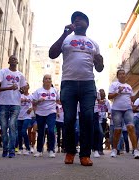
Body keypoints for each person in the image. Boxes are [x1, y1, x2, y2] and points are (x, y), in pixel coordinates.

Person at [49, 11, 104, 166]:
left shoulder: (93, 43)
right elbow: (52, 54)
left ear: (87, 23)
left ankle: (85, 154)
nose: (77, 21)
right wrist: (64, 33)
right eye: (75, 20)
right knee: (69, 119)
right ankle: (70, 152)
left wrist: (100, 63)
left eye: (81, 19)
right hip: (68, 83)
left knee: (87, 119)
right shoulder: (66, 39)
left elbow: (99, 68)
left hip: (88, 84)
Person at [0, 55, 26, 158]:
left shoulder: (21, 75)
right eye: (12, 58)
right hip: (4, 103)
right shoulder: (3, 72)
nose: (14, 60)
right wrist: (9, 88)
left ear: (17, 62)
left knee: (12, 126)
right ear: (8, 61)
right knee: (4, 127)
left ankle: (12, 150)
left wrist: (21, 90)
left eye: (16, 59)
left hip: (16, 104)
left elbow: (23, 90)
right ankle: (5, 149)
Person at [108, 69, 139, 159]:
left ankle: (135, 150)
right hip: (117, 110)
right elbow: (109, 96)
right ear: (117, 76)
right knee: (117, 130)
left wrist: (138, 93)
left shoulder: (129, 86)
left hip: (128, 109)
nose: (122, 75)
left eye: (124, 74)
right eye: (120, 74)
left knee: (131, 127)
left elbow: (132, 99)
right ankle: (114, 150)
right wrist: (118, 92)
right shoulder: (114, 85)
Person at [32, 75, 59, 158]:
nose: (48, 80)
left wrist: (59, 110)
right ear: (43, 81)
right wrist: (39, 101)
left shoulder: (55, 90)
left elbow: (58, 101)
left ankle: (51, 150)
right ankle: (39, 150)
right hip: (40, 113)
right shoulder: (38, 91)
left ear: (51, 81)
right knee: (41, 132)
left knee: (51, 131)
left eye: (49, 79)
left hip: (51, 112)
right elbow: (33, 103)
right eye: (46, 79)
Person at [17, 83, 33, 155]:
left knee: (24, 131)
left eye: (26, 85)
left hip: (27, 116)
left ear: (28, 87)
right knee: (19, 133)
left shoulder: (31, 96)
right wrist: (20, 100)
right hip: (19, 116)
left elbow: (34, 105)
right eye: (23, 86)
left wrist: (31, 109)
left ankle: (28, 148)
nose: (24, 87)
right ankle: (20, 148)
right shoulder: (19, 95)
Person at [98, 89, 111, 155]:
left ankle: (99, 149)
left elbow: (109, 112)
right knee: (98, 133)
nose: (101, 94)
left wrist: (109, 116)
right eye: (100, 93)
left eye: (103, 93)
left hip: (103, 120)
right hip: (96, 119)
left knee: (102, 134)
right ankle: (97, 148)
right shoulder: (96, 101)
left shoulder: (107, 102)